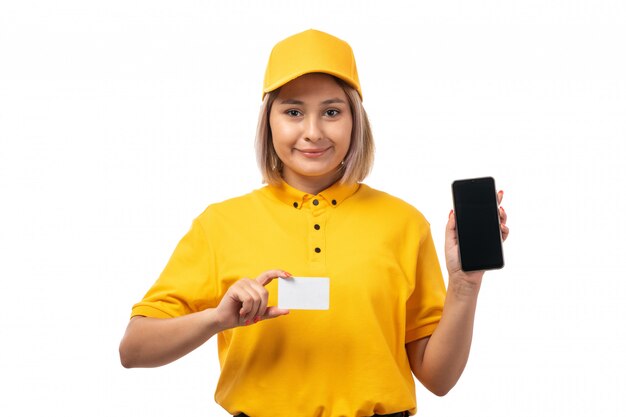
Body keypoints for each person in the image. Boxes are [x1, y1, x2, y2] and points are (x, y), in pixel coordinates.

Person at [119, 29, 509, 417]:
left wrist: (463, 286)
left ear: (355, 120)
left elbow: (439, 379)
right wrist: (216, 320)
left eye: (332, 111)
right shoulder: (220, 224)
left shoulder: (404, 223)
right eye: (293, 112)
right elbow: (134, 349)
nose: (313, 132)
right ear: (268, 121)